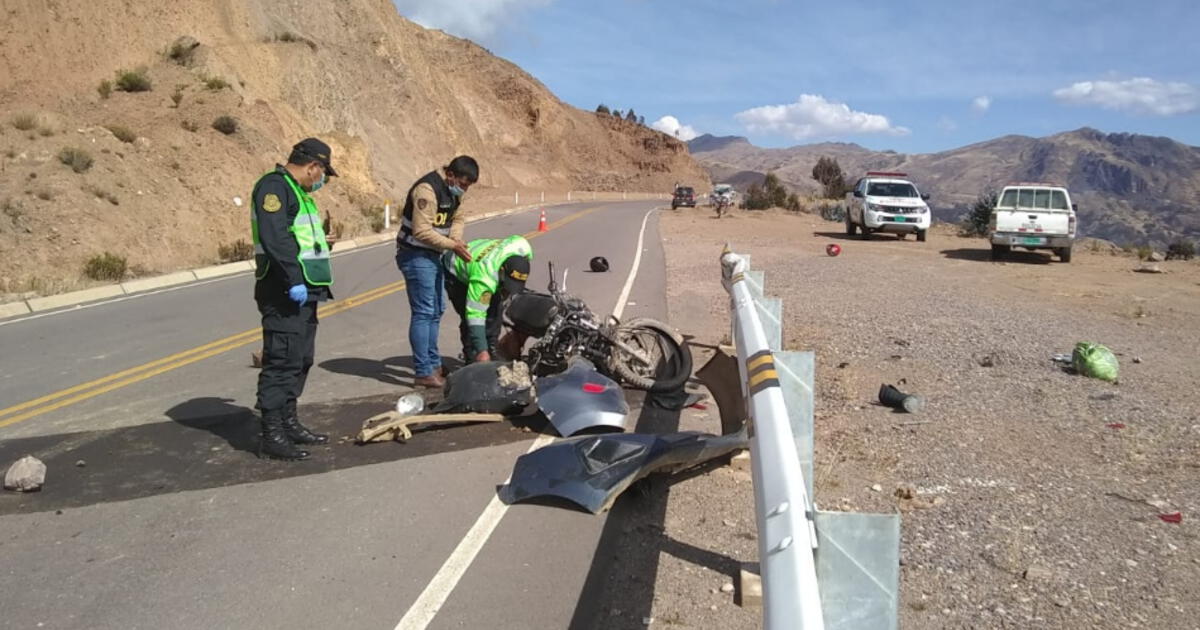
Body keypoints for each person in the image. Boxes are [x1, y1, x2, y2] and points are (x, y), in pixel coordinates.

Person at [250, 138, 338, 461]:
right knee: (282, 359)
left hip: (306, 290)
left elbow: (299, 238)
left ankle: (289, 421)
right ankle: (271, 434)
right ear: (313, 166)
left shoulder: (298, 193)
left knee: (300, 358)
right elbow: (276, 239)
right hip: (284, 290)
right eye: (322, 173)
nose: (322, 180)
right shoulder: (274, 188)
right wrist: (294, 279)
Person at [396, 156, 478, 388]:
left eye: (467, 187)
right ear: (450, 174)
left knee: (436, 309)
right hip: (415, 254)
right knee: (424, 311)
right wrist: (453, 246)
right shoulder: (427, 190)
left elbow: (459, 217)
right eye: (461, 184)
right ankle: (424, 371)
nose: (462, 190)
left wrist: (456, 238)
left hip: (434, 254)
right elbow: (421, 231)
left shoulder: (454, 194)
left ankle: (433, 363)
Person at [443, 235, 533, 363]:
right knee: (469, 317)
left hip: (481, 253)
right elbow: (475, 316)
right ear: (501, 270)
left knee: (495, 311)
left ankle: (492, 348)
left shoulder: (522, 246)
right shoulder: (484, 278)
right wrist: (481, 350)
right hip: (456, 270)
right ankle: (473, 357)